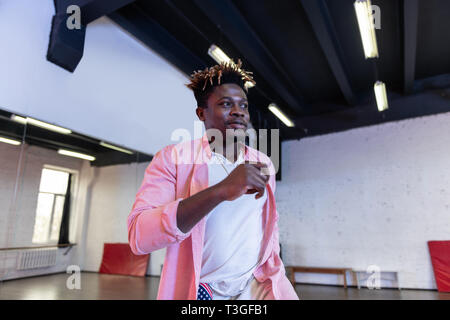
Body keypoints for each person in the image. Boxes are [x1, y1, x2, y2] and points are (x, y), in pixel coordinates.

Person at [127, 59, 298, 300]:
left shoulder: (263, 163)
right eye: (226, 104)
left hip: (254, 287)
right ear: (201, 113)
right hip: (202, 291)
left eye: (243, 105)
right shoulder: (173, 159)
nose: (238, 111)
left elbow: (270, 225)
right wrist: (221, 190)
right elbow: (139, 236)